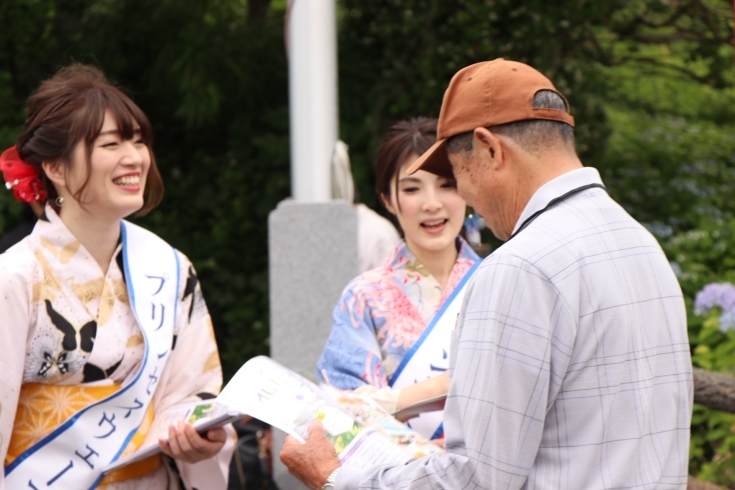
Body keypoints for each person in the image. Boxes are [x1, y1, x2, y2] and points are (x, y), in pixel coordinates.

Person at [281, 58, 693, 489]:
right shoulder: (640, 244)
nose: (464, 198)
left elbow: (476, 479)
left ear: (490, 148)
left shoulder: (521, 268)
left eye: (456, 176)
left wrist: (338, 480)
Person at [0, 64, 234, 489]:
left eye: (139, 141)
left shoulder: (169, 269)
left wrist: (196, 434)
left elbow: (190, 391)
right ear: (55, 166)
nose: (135, 158)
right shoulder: (16, 277)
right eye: (112, 144)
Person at [317, 117, 481, 440]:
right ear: (388, 200)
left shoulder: (500, 282)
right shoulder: (364, 297)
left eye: (447, 185)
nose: (431, 204)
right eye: (411, 188)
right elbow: (343, 412)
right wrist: (445, 386)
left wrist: (395, 401)